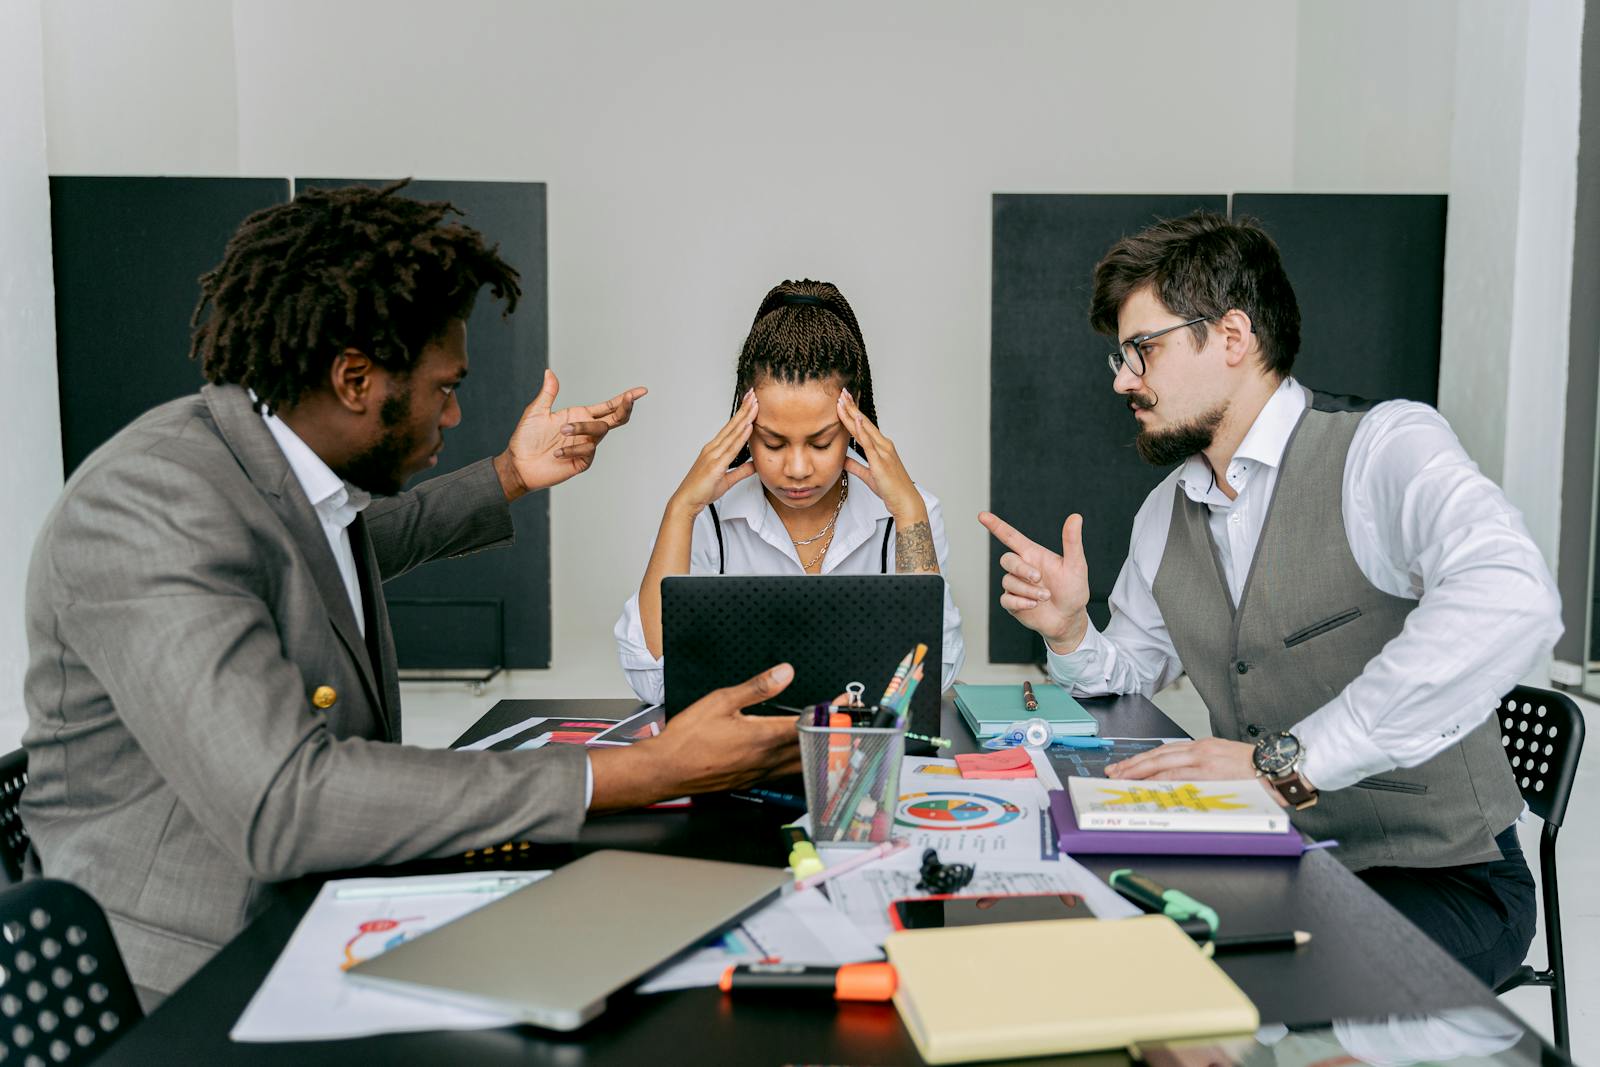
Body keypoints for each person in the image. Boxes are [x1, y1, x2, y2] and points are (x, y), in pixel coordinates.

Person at [21, 182, 801, 1006]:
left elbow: (355, 546)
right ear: (356, 378)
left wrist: (510, 475)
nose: (456, 412)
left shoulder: (267, 474)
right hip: (185, 980)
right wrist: (636, 771)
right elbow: (286, 801)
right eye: (444, 388)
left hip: (310, 914)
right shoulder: (150, 504)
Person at [980, 211, 1559, 987]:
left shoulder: (1382, 449)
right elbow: (1132, 674)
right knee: (1087, 940)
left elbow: (1512, 594)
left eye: (1140, 350)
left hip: (1446, 878)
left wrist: (1284, 763)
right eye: (1119, 357)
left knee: (1215, 985)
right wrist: (1072, 630)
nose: (1123, 378)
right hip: (1273, 854)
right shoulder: (1166, 511)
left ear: (1231, 335)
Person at [616, 280, 965, 703]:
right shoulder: (704, 516)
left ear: (854, 423)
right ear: (744, 429)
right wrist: (680, 509)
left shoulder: (911, 513)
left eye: (821, 443)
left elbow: (929, 678)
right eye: (773, 443)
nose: (796, 469)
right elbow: (654, 680)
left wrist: (909, 512)